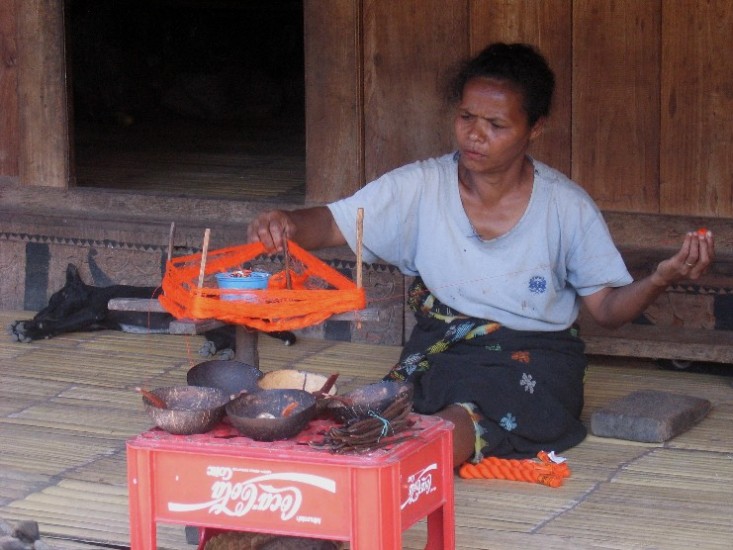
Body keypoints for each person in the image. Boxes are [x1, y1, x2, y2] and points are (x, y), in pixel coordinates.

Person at [247, 43, 715, 465]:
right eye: (466, 117)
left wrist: (660, 278)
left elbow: (608, 310)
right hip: (442, 349)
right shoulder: (421, 186)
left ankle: (402, 470)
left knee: (462, 414)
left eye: (495, 125)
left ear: (535, 128)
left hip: (534, 359)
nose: (475, 135)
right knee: (386, 409)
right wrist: (287, 222)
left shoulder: (565, 206)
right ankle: (371, 464)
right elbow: (331, 221)